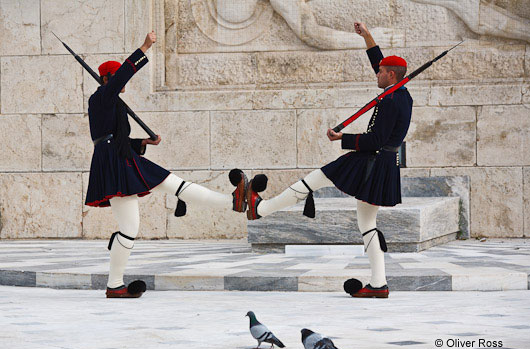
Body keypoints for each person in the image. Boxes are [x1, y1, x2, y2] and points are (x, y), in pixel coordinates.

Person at [244, 22, 413, 298]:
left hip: (371, 161)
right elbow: (377, 61)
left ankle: (261, 209)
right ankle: (379, 284)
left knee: (315, 178)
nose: (376, 74)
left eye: (381, 72)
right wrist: (368, 37)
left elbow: (375, 140)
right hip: (382, 164)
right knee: (367, 223)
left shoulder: (393, 101)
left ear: (391, 75)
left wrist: (342, 139)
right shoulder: (400, 94)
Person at [85, 32, 247, 298]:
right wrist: (144, 48)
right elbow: (107, 136)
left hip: (121, 157)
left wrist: (144, 143)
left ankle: (233, 201)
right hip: (114, 164)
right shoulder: (101, 97)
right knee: (130, 228)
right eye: (115, 80)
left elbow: (114, 135)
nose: (120, 84)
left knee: (174, 184)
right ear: (106, 80)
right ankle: (114, 285)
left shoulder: (108, 101)